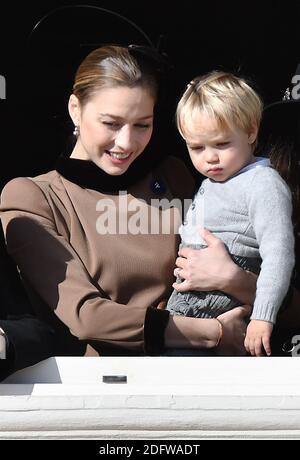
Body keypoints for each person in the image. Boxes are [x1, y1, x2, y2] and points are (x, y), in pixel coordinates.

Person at [0, 46, 257, 380]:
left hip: (202, 380)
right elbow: (85, 316)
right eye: (111, 123)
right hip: (104, 395)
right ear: (75, 109)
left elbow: (225, 274)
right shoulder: (34, 196)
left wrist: (235, 281)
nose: (126, 142)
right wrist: (215, 333)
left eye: (142, 125)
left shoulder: (174, 175)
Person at [166, 71, 295, 357]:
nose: (209, 157)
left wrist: (263, 316)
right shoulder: (215, 181)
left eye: (221, 144)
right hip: (191, 303)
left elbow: (279, 254)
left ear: (251, 131)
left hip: (222, 307)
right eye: (196, 147)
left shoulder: (262, 183)